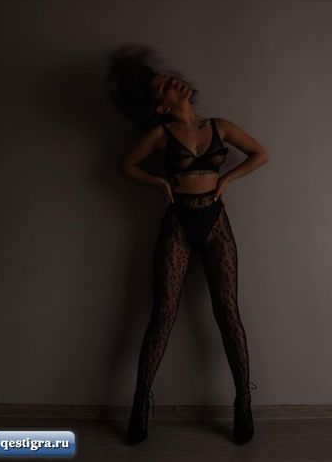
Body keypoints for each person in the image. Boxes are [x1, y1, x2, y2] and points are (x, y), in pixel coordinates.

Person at [103, 44, 268, 445]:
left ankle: (243, 401)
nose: (174, 82)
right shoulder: (161, 135)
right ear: (161, 106)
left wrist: (226, 180)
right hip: (178, 223)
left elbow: (260, 154)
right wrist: (158, 182)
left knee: (227, 312)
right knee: (163, 315)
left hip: (215, 222)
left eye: (170, 78)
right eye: (164, 86)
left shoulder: (220, 126)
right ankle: (141, 402)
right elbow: (126, 165)